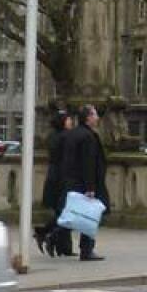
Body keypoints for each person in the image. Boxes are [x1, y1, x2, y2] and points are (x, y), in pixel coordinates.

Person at [58, 104, 110, 261]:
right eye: (94, 115)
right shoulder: (89, 136)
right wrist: (90, 187)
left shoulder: (72, 134)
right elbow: (89, 163)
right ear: (88, 118)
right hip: (85, 183)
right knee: (89, 216)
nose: (97, 118)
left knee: (72, 214)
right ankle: (86, 249)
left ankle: (56, 238)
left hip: (71, 180)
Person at [36, 109, 74, 257]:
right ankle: (48, 235)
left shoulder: (53, 136)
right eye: (68, 119)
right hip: (63, 177)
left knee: (61, 212)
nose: (71, 122)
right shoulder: (66, 137)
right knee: (65, 212)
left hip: (54, 176)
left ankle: (62, 246)